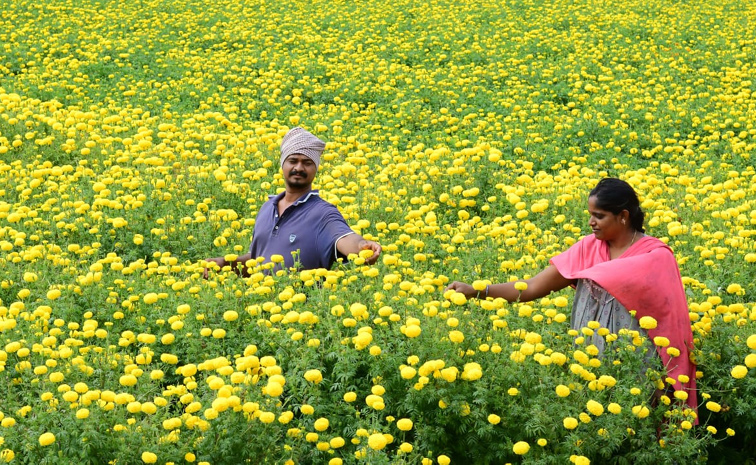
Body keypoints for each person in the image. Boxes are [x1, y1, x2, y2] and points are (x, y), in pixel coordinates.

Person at [445, 177, 698, 417]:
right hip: (590, 363)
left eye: (599, 216)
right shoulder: (589, 247)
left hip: (639, 366)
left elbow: (672, 321)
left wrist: (666, 378)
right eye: (590, 215)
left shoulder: (656, 256)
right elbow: (532, 286)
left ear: (623, 217)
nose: (591, 222)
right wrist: (478, 291)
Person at [204, 126, 381, 277]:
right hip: (257, 311)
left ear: (315, 169)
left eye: (307, 162)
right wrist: (224, 263)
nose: (299, 168)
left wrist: (362, 246)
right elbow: (256, 260)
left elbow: (345, 238)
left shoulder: (323, 213)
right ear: (283, 165)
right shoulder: (267, 208)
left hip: (301, 314)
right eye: (293, 161)